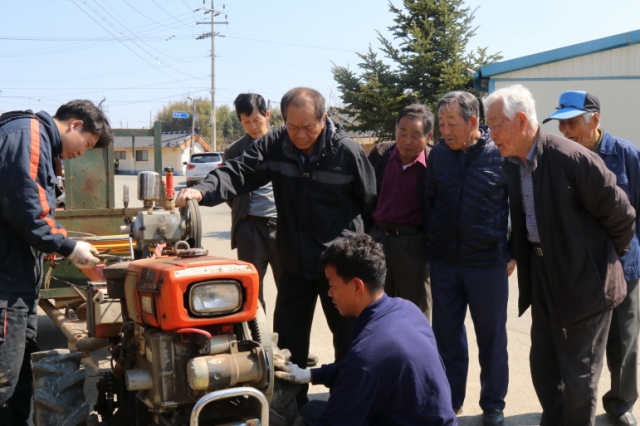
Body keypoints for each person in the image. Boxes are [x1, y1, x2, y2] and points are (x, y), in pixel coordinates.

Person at [176, 87, 376, 405]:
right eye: (292, 126)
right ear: (283, 121)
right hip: (295, 263)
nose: (299, 135)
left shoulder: (347, 152)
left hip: (340, 267)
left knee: (351, 342)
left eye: (308, 127)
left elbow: (370, 206)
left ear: (324, 119)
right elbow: (238, 171)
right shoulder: (276, 144)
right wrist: (202, 190)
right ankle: (291, 409)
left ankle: (348, 407)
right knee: (287, 348)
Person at [483, 84, 635, 425]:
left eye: (495, 124)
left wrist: (601, 261)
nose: (490, 134)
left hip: (587, 284)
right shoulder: (513, 163)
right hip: (545, 277)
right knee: (545, 366)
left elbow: (622, 216)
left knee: (579, 376)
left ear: (521, 121)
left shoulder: (572, 158)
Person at [0, 100, 111, 425]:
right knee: (4, 383)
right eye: (87, 144)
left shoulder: (29, 137)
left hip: (16, 281)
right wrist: (70, 248)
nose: (83, 153)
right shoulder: (29, 135)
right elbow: (27, 209)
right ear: (75, 125)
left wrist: (54, 247)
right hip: (6, 284)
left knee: (20, 376)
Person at [274, 233, 457, 426]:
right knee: (313, 410)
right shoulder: (406, 309)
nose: (329, 293)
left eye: (331, 285)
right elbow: (356, 368)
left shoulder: (370, 352)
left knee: (311, 417)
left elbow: (336, 420)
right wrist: (311, 375)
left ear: (356, 286)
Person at [543, 90, 640, 426]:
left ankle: (620, 403)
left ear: (595, 120)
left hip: (625, 266)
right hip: (583, 271)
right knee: (583, 346)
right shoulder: (559, 159)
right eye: (562, 124)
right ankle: (578, 405)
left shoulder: (626, 154)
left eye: (573, 122)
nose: (566, 130)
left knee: (624, 341)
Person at [424, 91, 512, 425]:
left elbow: (517, 206)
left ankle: (493, 404)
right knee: (446, 335)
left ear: (473, 122)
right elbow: (429, 200)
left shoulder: (499, 154)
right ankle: (450, 400)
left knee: (492, 337)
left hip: (488, 262)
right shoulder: (439, 157)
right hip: (445, 261)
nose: (444, 130)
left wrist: (512, 250)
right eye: (441, 122)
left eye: (451, 122)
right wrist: (433, 241)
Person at [367, 104, 433, 319]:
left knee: (414, 312)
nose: (407, 140)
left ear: (428, 136)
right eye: (402, 133)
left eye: (415, 135)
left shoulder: (435, 163)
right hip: (378, 240)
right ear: (395, 130)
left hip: (413, 245)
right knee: (375, 308)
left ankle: (415, 353)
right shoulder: (380, 154)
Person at [222, 93, 281, 308]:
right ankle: (258, 340)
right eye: (246, 122)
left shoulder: (284, 146)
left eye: (256, 120)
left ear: (267, 115)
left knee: (289, 291)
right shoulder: (234, 152)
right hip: (250, 229)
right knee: (251, 293)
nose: (252, 126)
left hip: (283, 228)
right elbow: (230, 193)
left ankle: (287, 341)